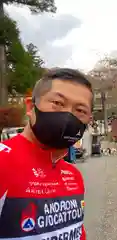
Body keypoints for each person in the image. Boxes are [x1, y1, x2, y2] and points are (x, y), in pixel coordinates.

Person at [0, 68, 93, 239]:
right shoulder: (2, 162)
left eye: (80, 110)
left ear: (89, 120)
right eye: (57, 103)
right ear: (30, 106)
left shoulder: (73, 176)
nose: (67, 115)